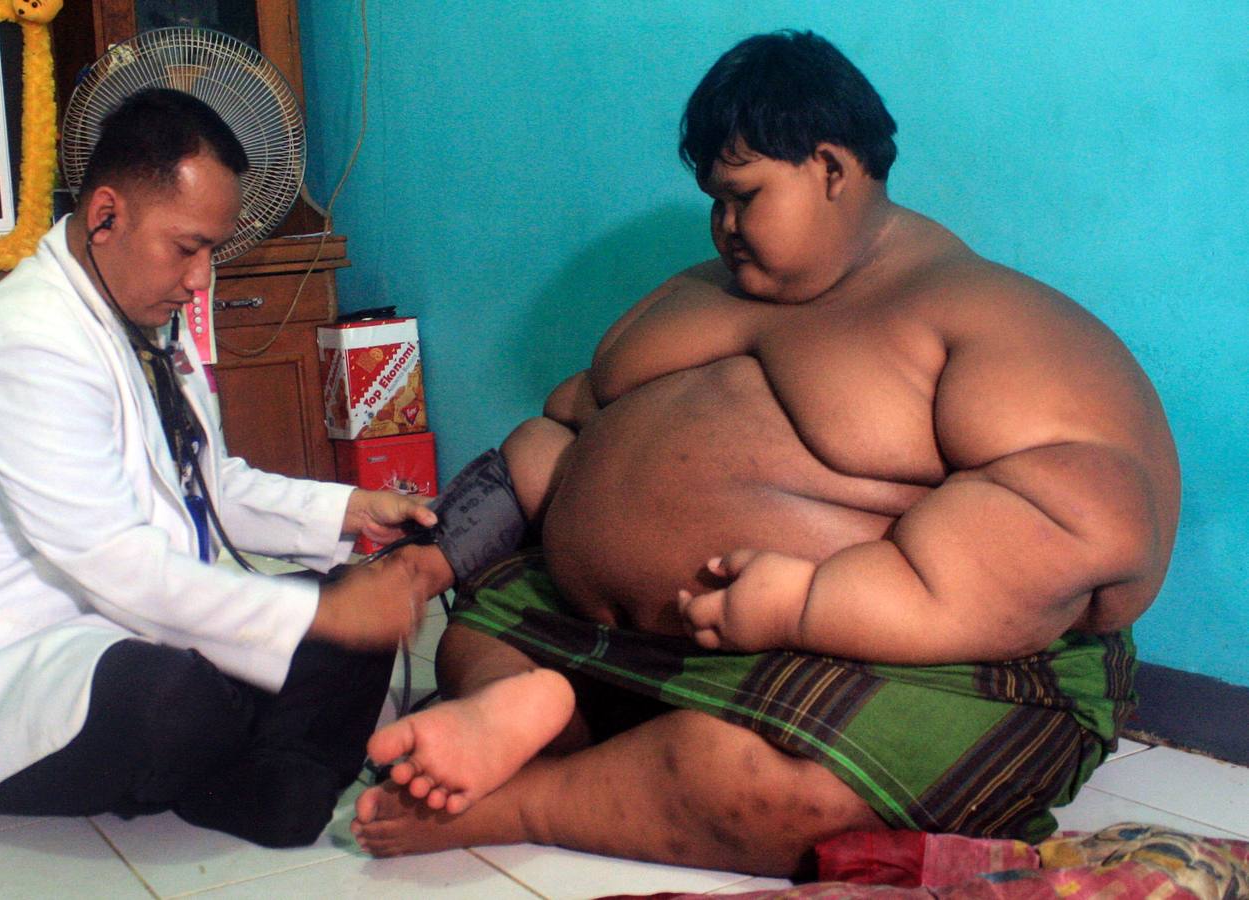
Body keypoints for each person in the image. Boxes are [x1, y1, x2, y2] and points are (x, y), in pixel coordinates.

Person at [346, 31, 1180, 875]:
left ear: (831, 168)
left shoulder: (988, 318)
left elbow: (1081, 522)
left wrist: (810, 602)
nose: (726, 226)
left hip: (890, 657)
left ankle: (526, 801)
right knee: (476, 633)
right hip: (630, 636)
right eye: (714, 201)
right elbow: (554, 438)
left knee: (791, 791)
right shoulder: (698, 291)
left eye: (744, 196)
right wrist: (431, 558)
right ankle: (518, 702)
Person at [0, 88, 440, 848]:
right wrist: (317, 619)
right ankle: (274, 762)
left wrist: (350, 511)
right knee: (175, 694)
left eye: (213, 251)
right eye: (188, 248)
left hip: (136, 624)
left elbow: (212, 486)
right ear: (106, 215)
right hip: (6, 668)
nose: (202, 279)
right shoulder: (19, 340)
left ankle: (271, 780)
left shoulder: (144, 323)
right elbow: (116, 567)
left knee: (352, 608)